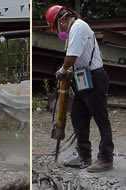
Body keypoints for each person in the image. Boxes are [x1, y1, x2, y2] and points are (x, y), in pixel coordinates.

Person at [45, 5, 114, 172]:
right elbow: (74, 59)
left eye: (56, 27)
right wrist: (67, 71)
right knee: (78, 116)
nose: (58, 31)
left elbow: (71, 57)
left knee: (100, 118)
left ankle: (106, 158)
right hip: (82, 78)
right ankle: (84, 156)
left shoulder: (78, 27)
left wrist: (62, 70)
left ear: (62, 20)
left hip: (94, 77)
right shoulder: (74, 30)